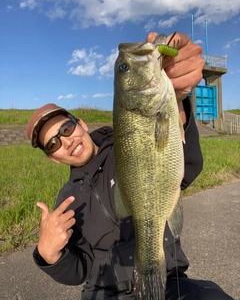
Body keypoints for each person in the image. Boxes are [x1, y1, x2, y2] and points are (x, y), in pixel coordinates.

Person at [26, 32, 233, 300]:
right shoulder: (68, 199)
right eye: (52, 144)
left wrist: (179, 100)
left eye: (66, 128)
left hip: (168, 280)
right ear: (52, 157)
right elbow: (80, 269)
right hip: (105, 292)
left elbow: (188, 166)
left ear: (81, 124)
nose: (65, 141)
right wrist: (49, 256)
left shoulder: (125, 143)